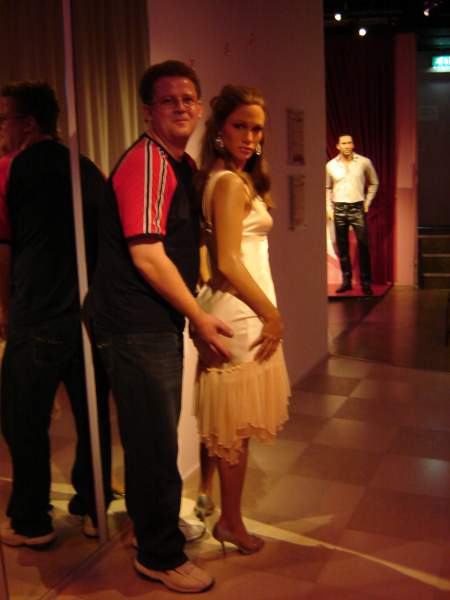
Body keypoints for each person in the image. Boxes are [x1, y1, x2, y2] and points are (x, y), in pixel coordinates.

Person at [87, 60, 232, 594]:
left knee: (152, 437)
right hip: (134, 324)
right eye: (169, 100)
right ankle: (159, 555)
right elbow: (146, 254)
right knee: (152, 444)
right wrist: (198, 317)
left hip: (149, 321)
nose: (181, 107)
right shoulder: (147, 161)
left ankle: (156, 529)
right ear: (148, 111)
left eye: (189, 98)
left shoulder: (179, 163)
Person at [0, 81, 112, 548]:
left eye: (4, 120)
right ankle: (93, 506)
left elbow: (4, 246)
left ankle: (31, 520)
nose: (2, 130)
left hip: (36, 314)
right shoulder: (86, 168)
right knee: (92, 417)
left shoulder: (10, 168)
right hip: (86, 316)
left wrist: (5, 308)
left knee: (23, 419)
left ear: (27, 124)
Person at [193, 85, 290, 554]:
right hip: (241, 314)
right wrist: (272, 313)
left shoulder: (229, 177)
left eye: (257, 129)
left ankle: (212, 500)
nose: (250, 137)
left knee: (227, 422)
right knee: (235, 428)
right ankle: (231, 522)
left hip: (238, 309)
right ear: (220, 130)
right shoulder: (229, 182)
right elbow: (230, 261)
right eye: (240, 127)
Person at [326, 134, 379, 295]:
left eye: (350, 142)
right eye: (344, 143)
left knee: (363, 246)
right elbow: (326, 187)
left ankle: (366, 283)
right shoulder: (330, 165)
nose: (347, 145)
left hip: (357, 207)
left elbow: (374, 182)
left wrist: (367, 202)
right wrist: (329, 208)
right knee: (342, 247)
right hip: (339, 208)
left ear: (353, 144)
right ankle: (346, 281)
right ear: (338, 146)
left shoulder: (364, 162)